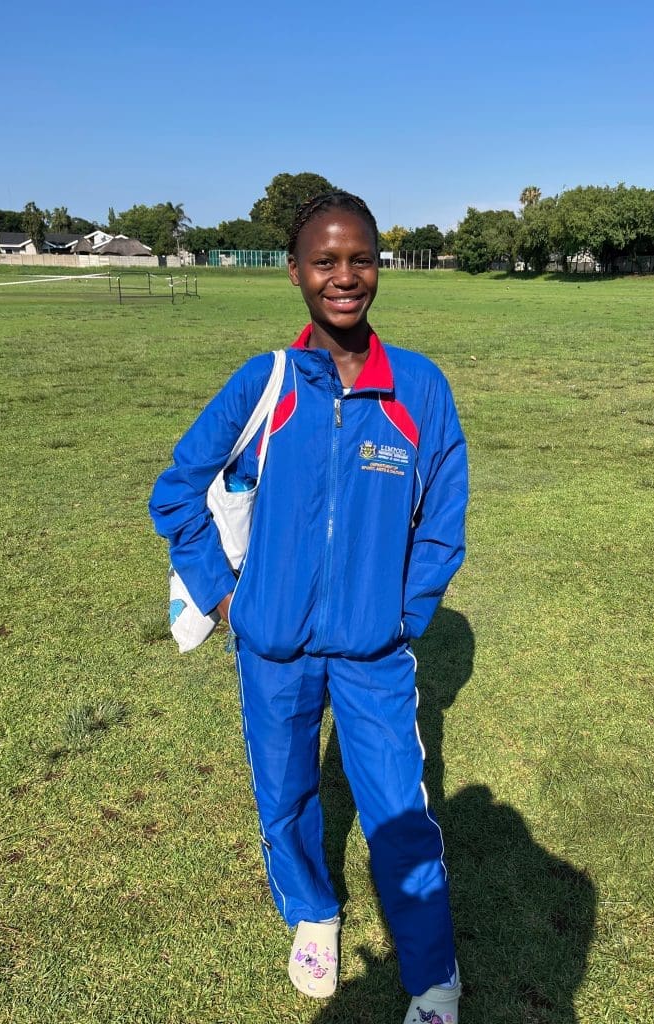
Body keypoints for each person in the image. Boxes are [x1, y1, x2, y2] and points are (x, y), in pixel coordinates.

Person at [149, 191, 468, 1024]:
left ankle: (434, 979)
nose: (344, 277)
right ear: (294, 272)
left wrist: (403, 615)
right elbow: (176, 492)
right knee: (286, 795)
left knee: (397, 809)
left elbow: (443, 522)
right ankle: (313, 915)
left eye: (359, 259)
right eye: (324, 261)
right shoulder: (266, 383)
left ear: (379, 266)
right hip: (273, 650)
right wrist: (228, 598)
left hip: (373, 652)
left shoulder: (418, 388)